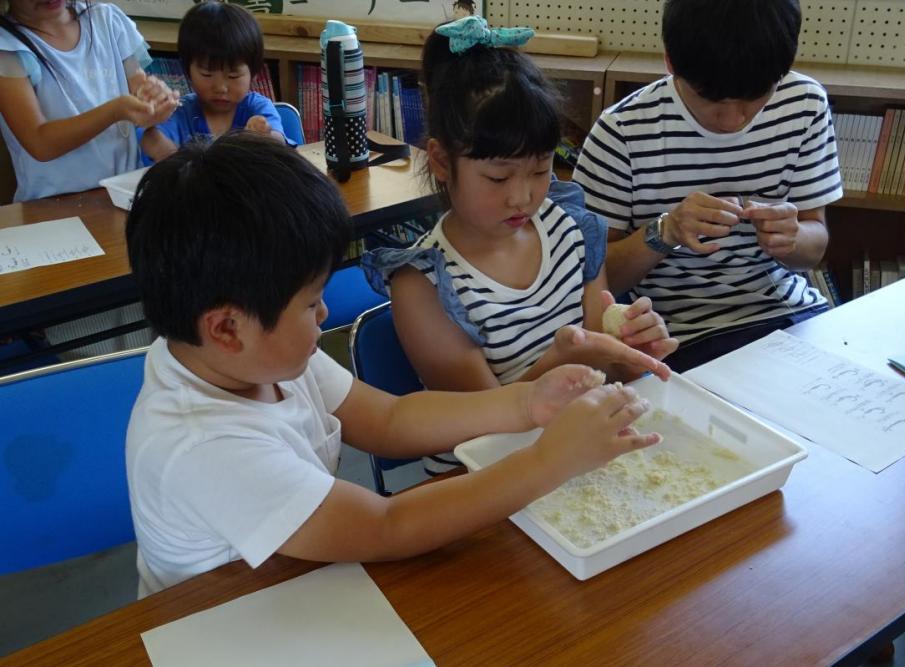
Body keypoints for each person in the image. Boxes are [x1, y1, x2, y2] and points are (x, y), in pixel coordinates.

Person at [124, 132, 664, 597]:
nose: (326, 313)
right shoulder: (205, 444)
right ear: (225, 327)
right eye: (311, 303)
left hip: (301, 587)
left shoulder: (252, 359)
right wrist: (550, 462)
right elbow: (387, 527)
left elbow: (390, 421)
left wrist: (526, 402)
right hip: (228, 624)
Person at [364, 16, 676, 394]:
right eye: (499, 178)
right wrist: (559, 361)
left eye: (540, 170)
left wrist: (633, 352)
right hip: (499, 452)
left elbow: (609, 370)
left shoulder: (569, 231)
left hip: (585, 433)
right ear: (442, 161)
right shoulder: (425, 283)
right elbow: (476, 426)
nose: (523, 197)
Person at [573, 0, 842, 373]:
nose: (733, 120)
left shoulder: (804, 104)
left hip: (789, 317)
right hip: (673, 335)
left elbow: (815, 245)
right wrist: (664, 231)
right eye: (711, 99)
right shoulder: (621, 132)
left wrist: (792, 237)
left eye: (755, 96)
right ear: (670, 62)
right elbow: (596, 281)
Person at [0, 0, 177, 201]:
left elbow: (139, 90)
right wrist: (115, 110)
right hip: (52, 205)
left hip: (123, 193)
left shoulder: (107, 20)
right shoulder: (7, 48)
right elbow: (40, 143)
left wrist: (155, 99)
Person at [140, 1, 287, 163]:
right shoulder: (180, 113)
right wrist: (153, 134)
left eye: (233, 76)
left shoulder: (257, 107)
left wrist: (265, 137)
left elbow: (279, 142)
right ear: (187, 71)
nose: (220, 88)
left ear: (254, 74)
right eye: (207, 74)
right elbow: (151, 141)